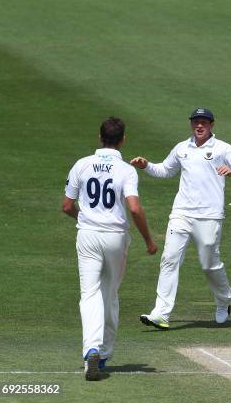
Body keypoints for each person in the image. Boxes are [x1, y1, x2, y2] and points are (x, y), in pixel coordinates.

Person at [131, 108, 231, 329]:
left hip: (209, 215)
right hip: (181, 213)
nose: (199, 126)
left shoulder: (223, 148)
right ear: (191, 124)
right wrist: (146, 166)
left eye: (204, 122)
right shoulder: (181, 148)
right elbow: (166, 170)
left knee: (209, 265)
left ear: (211, 125)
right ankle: (161, 313)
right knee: (169, 259)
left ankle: (224, 300)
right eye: (196, 122)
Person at [62, 117, 158, 381]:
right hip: (116, 237)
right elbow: (135, 208)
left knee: (89, 294)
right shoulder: (126, 170)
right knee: (110, 293)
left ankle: (91, 348)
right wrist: (149, 240)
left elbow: (67, 206)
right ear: (123, 139)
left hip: (88, 235)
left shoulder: (82, 164)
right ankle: (103, 354)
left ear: (99, 136)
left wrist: (86, 218)